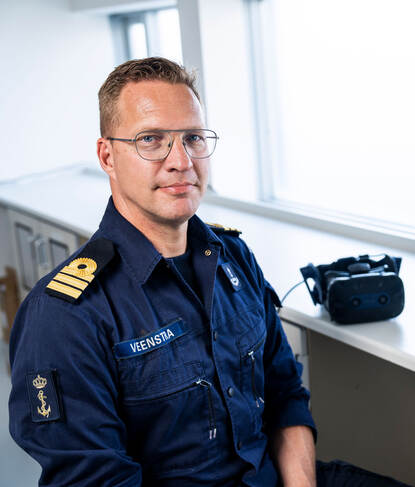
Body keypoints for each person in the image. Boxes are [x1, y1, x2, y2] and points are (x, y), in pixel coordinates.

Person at [8, 57, 410, 487]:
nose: (181, 161)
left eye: (193, 138)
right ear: (107, 156)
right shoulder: (64, 316)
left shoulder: (233, 256)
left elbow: (285, 395)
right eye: (151, 140)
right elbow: (97, 478)